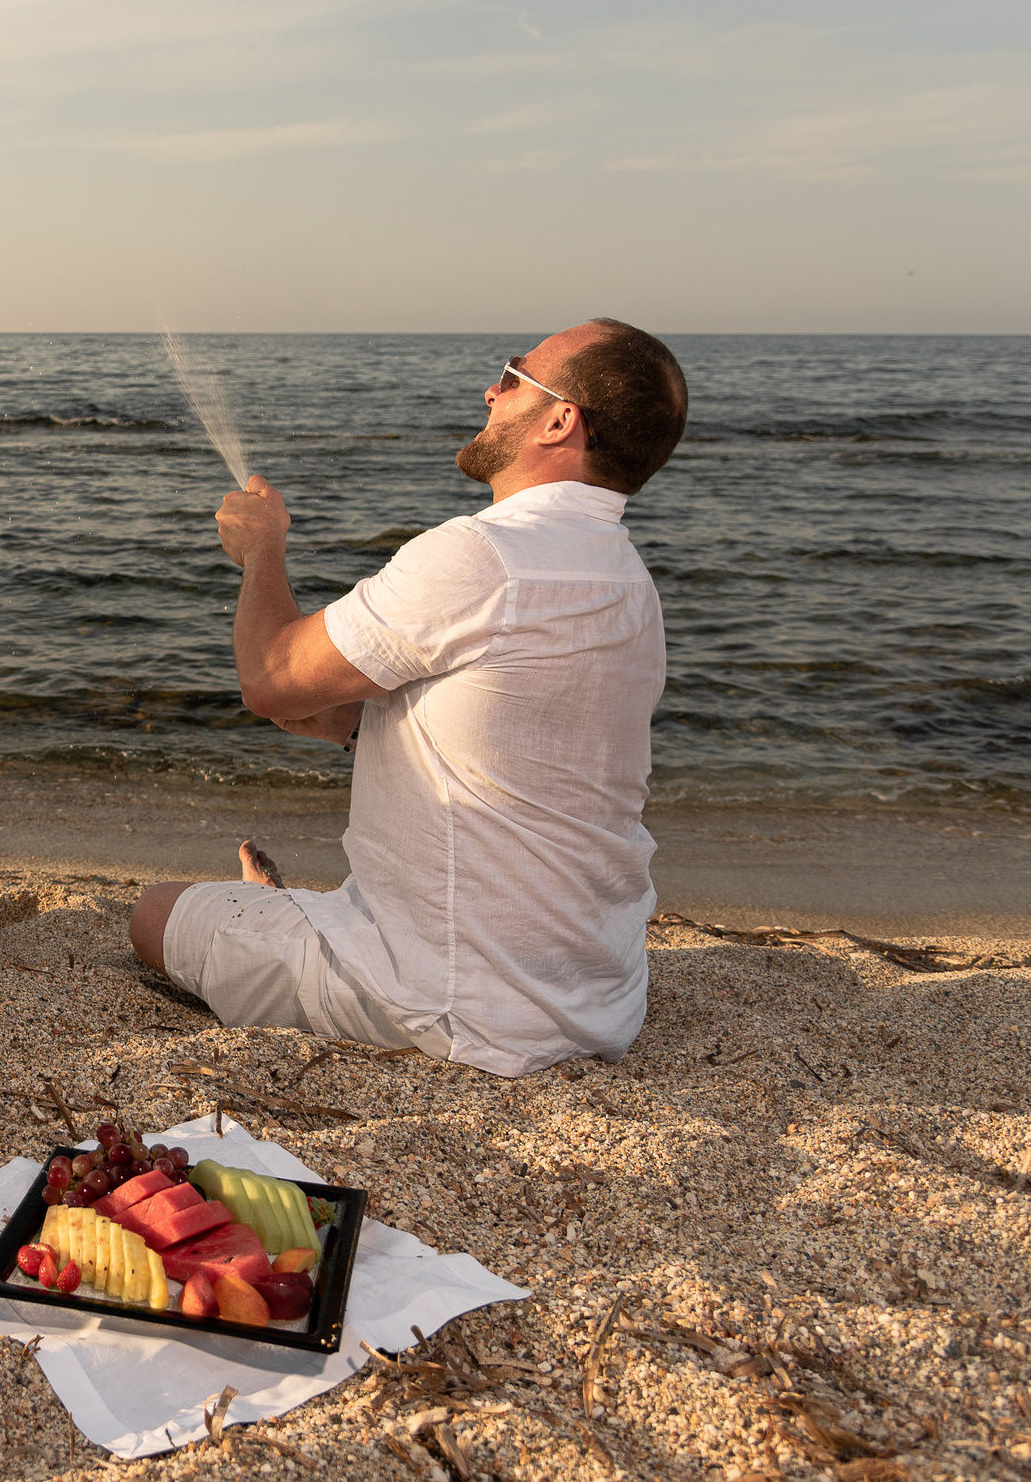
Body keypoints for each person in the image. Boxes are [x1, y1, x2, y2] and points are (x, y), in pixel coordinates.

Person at [128, 320, 689, 1076]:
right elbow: (530, 744)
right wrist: (355, 727)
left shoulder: (481, 554)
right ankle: (288, 912)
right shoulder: (629, 581)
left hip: (446, 1000)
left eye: (513, 376)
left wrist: (262, 551)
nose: (489, 391)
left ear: (560, 421)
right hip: (600, 997)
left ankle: (285, 918)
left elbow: (269, 673)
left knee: (153, 913)